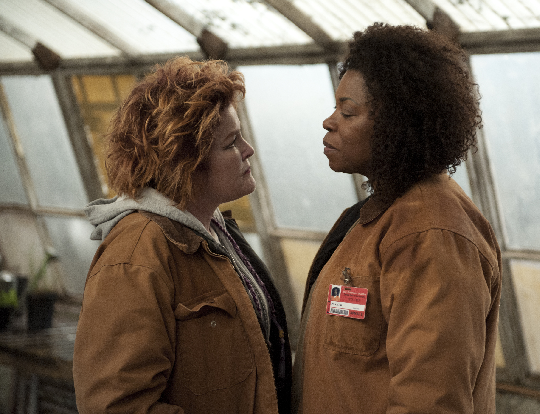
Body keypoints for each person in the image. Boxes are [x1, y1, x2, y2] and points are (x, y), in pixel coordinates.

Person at [293, 23, 502, 413]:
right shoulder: (378, 216)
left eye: (347, 111)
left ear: (397, 124)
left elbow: (431, 401)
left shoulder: (431, 233)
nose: (329, 121)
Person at [73, 57, 292, 413]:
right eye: (231, 143)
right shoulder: (136, 255)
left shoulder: (211, 231)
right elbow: (115, 405)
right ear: (185, 163)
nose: (248, 149)